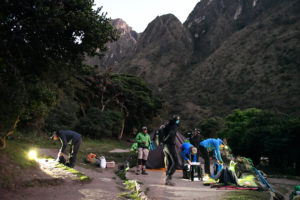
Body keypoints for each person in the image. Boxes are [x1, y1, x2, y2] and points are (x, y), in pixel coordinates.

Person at [162, 115, 180, 186]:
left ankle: (167, 180)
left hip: (165, 146)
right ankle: (168, 178)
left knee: (169, 162)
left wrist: (164, 140)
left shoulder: (167, 125)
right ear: (176, 120)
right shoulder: (174, 126)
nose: (178, 121)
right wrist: (168, 139)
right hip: (170, 145)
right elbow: (171, 133)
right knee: (176, 162)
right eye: (178, 120)